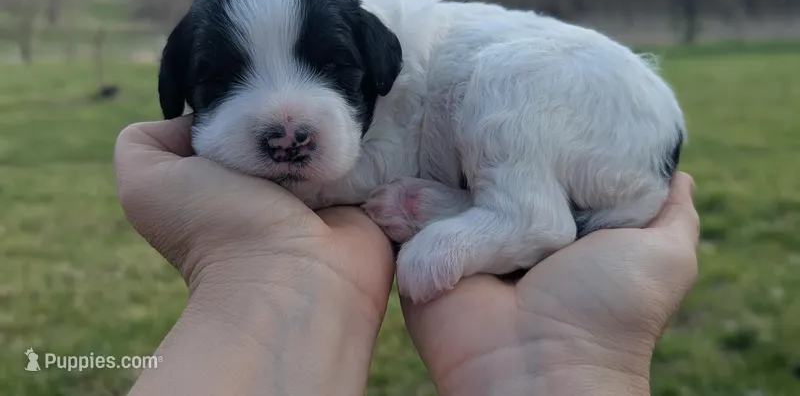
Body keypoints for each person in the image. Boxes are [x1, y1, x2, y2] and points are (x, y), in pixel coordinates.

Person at [114, 115, 700, 396]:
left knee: (501, 94)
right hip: (591, 165)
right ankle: (499, 213)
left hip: (602, 120)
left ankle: (521, 217)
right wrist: (569, 364)